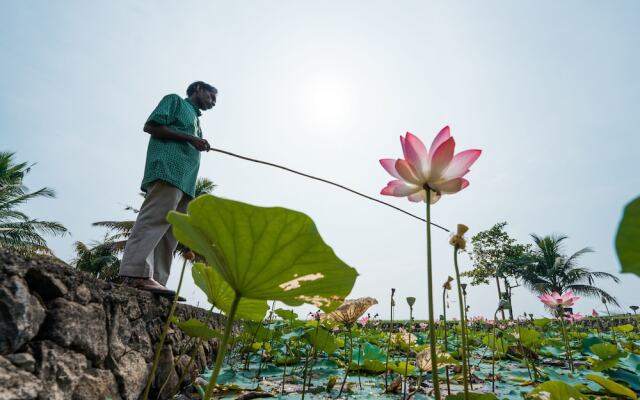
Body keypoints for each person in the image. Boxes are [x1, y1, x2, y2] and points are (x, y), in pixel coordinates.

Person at [118, 81, 217, 297]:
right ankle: (135, 274)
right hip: (167, 171)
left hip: (185, 182)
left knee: (171, 232)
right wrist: (190, 138)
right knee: (154, 219)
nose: (213, 103)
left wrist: (195, 139)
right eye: (211, 97)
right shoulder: (174, 101)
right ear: (198, 89)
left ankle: (156, 281)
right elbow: (151, 126)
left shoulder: (196, 121)